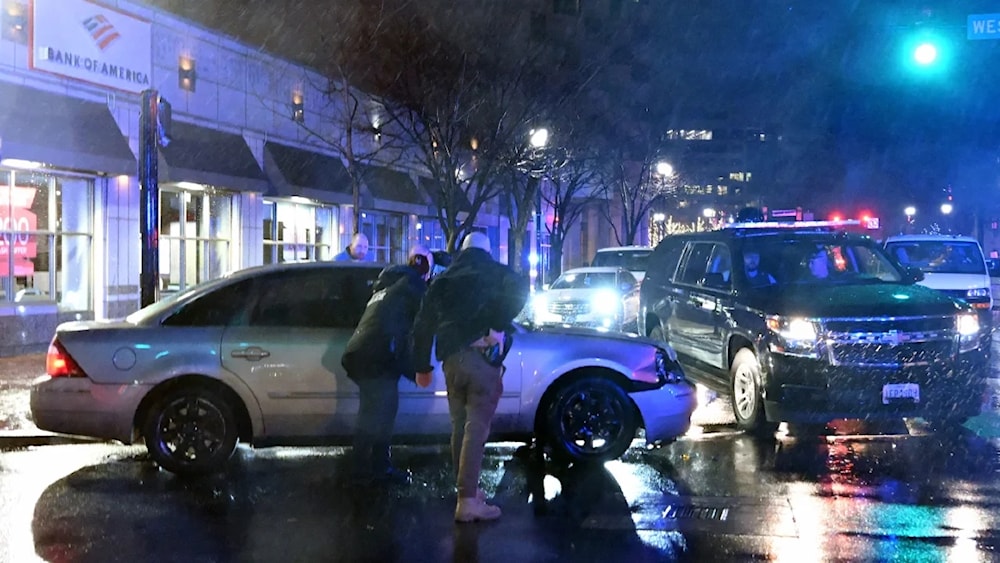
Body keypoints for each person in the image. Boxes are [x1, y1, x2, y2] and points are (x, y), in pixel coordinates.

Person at [412, 232, 529, 522]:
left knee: (460, 427)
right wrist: (496, 325)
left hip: (451, 359)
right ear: (487, 250)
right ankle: (467, 501)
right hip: (480, 359)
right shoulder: (497, 273)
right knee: (476, 429)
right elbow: (519, 290)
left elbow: (423, 324)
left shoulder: (443, 279)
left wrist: (421, 366)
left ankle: (467, 491)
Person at [341, 245, 434, 485]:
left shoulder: (386, 286)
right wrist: (418, 371)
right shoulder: (413, 287)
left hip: (360, 353)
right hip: (377, 357)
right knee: (380, 413)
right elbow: (412, 334)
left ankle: (367, 467)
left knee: (372, 412)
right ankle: (371, 470)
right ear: (425, 271)